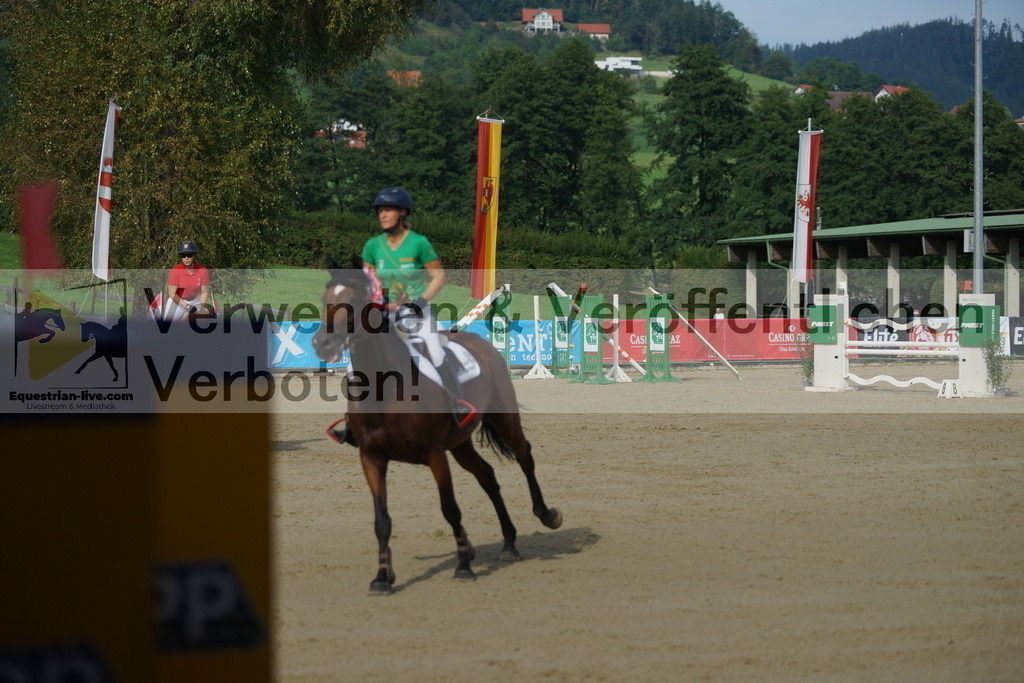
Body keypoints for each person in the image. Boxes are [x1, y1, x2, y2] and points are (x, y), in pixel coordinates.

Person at [361, 186, 477, 426]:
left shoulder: (419, 243)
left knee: (435, 352)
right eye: (380, 210)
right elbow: (368, 280)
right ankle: (358, 415)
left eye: (388, 210)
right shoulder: (373, 246)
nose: (383, 215)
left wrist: (420, 302)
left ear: (403, 212)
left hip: (417, 314)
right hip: (385, 314)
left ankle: (457, 403)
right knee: (363, 352)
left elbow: (439, 276)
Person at [166, 240, 211, 321]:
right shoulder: (175, 270)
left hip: (195, 300)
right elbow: (172, 293)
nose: (186, 258)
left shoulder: (202, 270)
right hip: (178, 301)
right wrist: (187, 306)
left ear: (194, 256)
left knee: (206, 319)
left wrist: (202, 308)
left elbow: (204, 292)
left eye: (189, 255)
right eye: (183, 255)